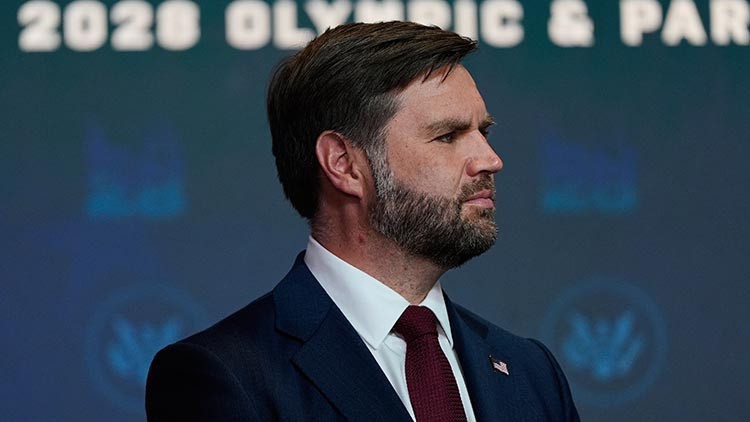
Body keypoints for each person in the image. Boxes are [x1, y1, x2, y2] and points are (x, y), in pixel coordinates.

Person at [146, 21, 579, 421]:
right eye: (447, 136)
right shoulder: (225, 375)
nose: (490, 159)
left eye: (483, 132)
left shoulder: (531, 372)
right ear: (344, 164)